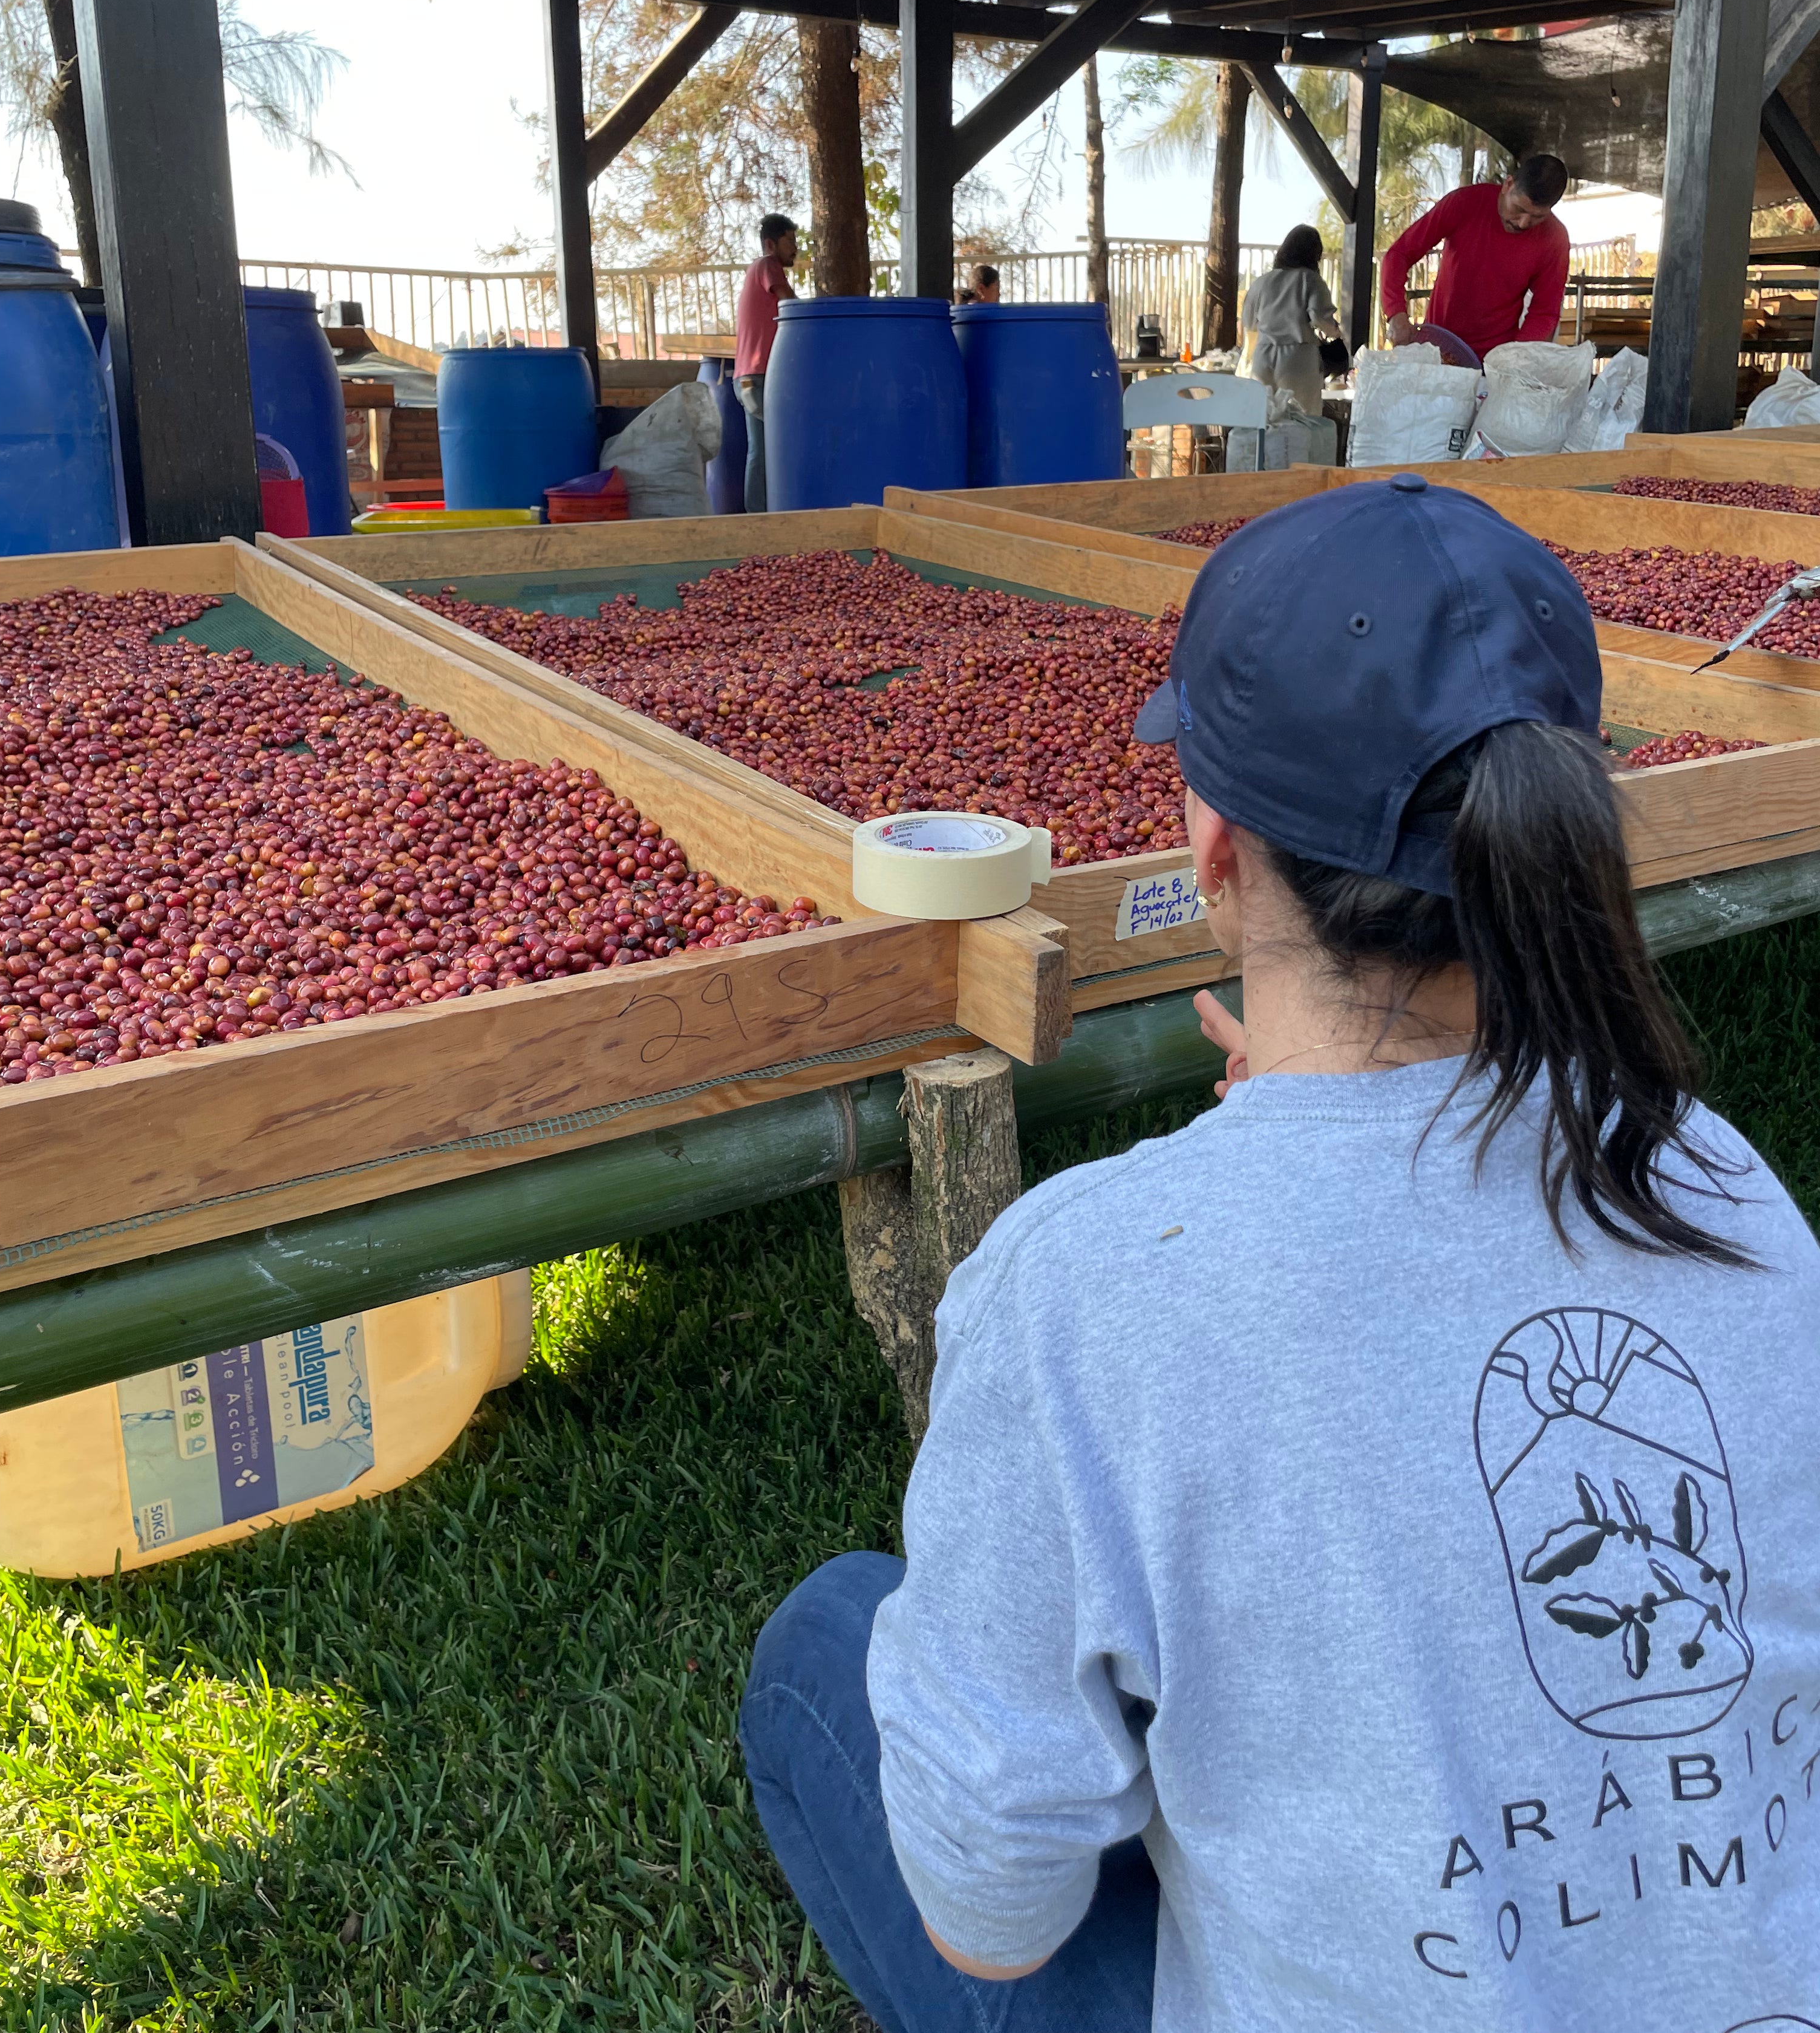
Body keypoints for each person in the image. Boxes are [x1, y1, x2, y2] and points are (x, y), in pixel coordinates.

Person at [740, 476, 1820, 2033]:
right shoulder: (1714, 1175)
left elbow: (993, 1922)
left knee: (824, 1651)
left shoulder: (1085, 1291)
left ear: (1218, 851)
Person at [1380, 154, 1571, 365]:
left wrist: (1515, 360)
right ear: (1508, 185)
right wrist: (1396, 313)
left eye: (1538, 217)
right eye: (1519, 209)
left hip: (1494, 363)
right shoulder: (1464, 203)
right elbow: (1399, 254)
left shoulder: (1555, 239)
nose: (1524, 223)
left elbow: (1545, 312)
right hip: (1436, 352)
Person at [1239, 223, 1341, 420]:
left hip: (1264, 355)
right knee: (1302, 421)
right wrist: (1337, 332)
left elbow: (1248, 322)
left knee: (1265, 421)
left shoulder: (1262, 282)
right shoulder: (1310, 279)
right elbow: (1321, 319)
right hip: (1299, 358)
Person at [734, 212, 797, 514]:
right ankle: (764, 515)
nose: (795, 248)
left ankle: (760, 514)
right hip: (758, 377)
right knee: (773, 447)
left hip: (749, 377)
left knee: (762, 450)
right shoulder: (767, 265)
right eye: (789, 241)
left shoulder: (755, 270)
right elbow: (790, 306)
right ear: (771, 244)